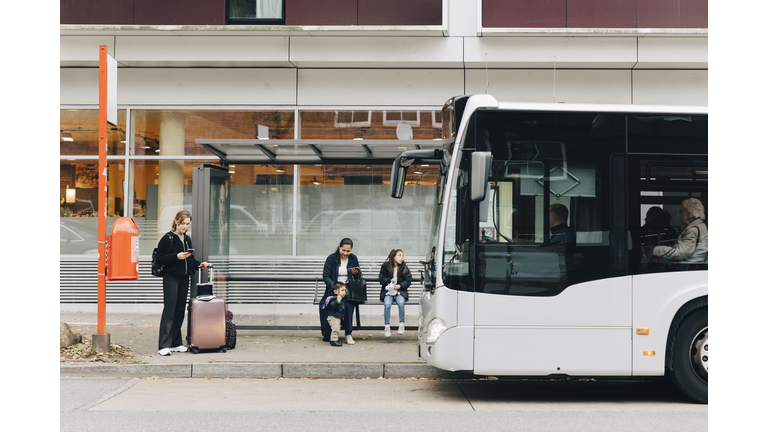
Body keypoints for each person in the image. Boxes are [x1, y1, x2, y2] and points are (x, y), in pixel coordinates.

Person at [155, 210, 212, 356]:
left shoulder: (186, 239)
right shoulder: (168, 238)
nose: (185, 227)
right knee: (170, 310)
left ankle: (175, 343)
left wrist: (200, 264)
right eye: (182, 224)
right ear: (176, 222)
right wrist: (176, 256)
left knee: (180, 310)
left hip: (184, 278)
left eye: (187, 224)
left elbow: (190, 260)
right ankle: (163, 345)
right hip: (171, 278)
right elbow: (160, 258)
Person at [321, 238, 360, 345]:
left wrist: (356, 273)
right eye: (343, 250)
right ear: (339, 247)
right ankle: (330, 334)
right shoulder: (331, 258)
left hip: (348, 291)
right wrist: (335, 288)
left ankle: (348, 334)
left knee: (348, 306)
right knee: (329, 305)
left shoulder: (353, 259)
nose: (345, 253)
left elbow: (358, 277)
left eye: (348, 251)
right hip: (333, 290)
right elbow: (326, 276)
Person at [652, 198, 708, 266]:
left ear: (689, 212)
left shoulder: (693, 230)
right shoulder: (699, 225)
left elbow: (681, 254)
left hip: (690, 269)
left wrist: (657, 250)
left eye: (681, 212)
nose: (679, 215)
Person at [378, 249, 412, 337]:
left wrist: (400, 286)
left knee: (401, 302)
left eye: (402, 256)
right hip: (388, 291)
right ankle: (387, 326)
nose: (402, 258)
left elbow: (408, 280)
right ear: (393, 257)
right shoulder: (385, 266)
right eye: (399, 255)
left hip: (399, 291)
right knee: (387, 304)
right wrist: (390, 280)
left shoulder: (404, 267)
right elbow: (381, 279)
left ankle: (401, 324)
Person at [323, 282, 347, 347]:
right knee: (335, 328)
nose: (344, 292)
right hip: (332, 317)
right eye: (342, 290)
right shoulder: (334, 299)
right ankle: (333, 340)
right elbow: (333, 306)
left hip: (337, 316)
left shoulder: (342, 298)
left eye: (345, 290)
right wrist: (337, 302)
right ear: (336, 291)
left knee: (337, 328)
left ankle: (335, 339)